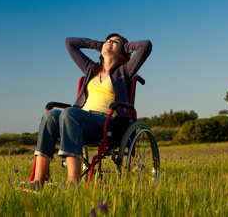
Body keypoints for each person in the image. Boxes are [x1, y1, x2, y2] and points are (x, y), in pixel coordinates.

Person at [31, 34, 152, 187]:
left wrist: (123, 47)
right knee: (51, 115)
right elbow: (70, 43)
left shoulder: (124, 71)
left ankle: (72, 183)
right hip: (81, 118)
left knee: (69, 113)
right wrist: (100, 44)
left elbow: (146, 46)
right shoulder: (90, 68)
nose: (110, 43)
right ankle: (39, 181)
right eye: (108, 41)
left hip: (107, 122)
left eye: (115, 42)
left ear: (122, 53)